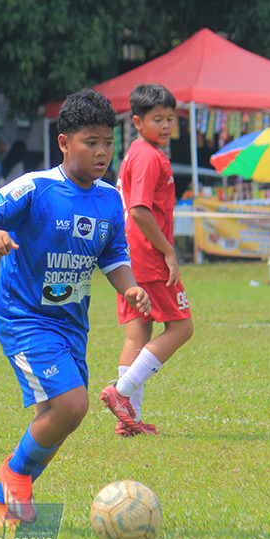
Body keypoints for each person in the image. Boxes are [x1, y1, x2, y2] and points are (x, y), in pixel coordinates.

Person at [0, 89, 150, 526]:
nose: (102, 152)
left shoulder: (109, 198)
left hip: (70, 323)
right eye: (91, 142)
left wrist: (131, 288)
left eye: (108, 142)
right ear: (64, 143)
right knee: (71, 406)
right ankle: (13, 478)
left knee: (59, 415)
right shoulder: (37, 187)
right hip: (23, 315)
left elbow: (113, 256)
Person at [101, 84, 193, 437]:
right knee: (182, 327)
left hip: (129, 254)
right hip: (147, 255)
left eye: (171, 119)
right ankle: (121, 393)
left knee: (137, 332)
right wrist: (168, 250)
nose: (166, 126)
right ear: (137, 122)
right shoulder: (149, 157)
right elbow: (139, 209)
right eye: (158, 119)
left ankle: (130, 419)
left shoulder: (137, 153)